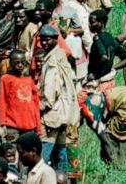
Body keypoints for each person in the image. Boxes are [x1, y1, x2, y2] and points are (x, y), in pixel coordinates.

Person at [37, 25, 77, 174]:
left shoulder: (52, 61)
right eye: (42, 40)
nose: (44, 43)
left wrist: (38, 108)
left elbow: (49, 94)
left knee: (43, 154)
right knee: (60, 155)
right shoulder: (61, 56)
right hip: (64, 113)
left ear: (56, 40)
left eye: (47, 40)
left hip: (52, 115)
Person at [80, 86, 126, 167]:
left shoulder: (90, 110)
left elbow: (103, 135)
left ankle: (118, 165)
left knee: (114, 138)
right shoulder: (94, 100)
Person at [0, 49, 40, 142]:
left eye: (22, 63)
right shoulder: (6, 79)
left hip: (30, 125)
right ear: (11, 63)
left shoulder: (29, 80)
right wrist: (2, 122)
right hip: (12, 125)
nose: (20, 65)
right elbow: (2, 102)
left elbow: (35, 104)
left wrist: (38, 126)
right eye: (17, 63)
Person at [87, 10, 126, 89]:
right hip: (109, 81)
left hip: (98, 82)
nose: (90, 25)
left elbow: (103, 56)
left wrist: (95, 74)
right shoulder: (111, 39)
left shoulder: (97, 39)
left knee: (80, 99)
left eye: (92, 22)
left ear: (101, 23)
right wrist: (112, 67)